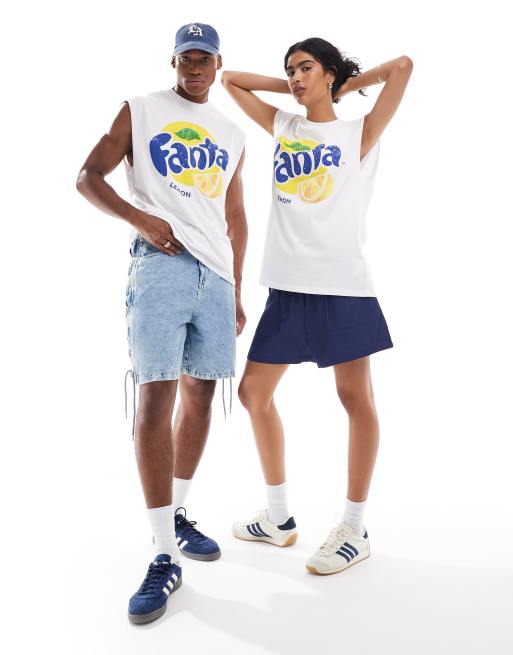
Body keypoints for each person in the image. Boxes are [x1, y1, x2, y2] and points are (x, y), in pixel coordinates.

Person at [76, 23, 247, 623]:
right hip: (162, 266)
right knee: (156, 395)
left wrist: (237, 288)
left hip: (217, 276)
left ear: (219, 63)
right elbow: (87, 176)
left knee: (202, 395)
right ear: (173, 61)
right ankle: (162, 554)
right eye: (186, 58)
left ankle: (175, 512)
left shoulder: (231, 133)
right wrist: (142, 220)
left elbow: (236, 215)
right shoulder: (141, 109)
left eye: (205, 58)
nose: (195, 67)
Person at [222, 38, 412, 575]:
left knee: (355, 399)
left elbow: (402, 66)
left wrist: (343, 85)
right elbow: (229, 80)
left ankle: (354, 528)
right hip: (286, 287)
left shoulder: (358, 133)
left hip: (341, 285)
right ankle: (278, 518)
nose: (295, 76)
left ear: (329, 73)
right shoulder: (286, 126)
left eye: (306, 67)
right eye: (290, 70)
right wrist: (293, 89)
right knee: (253, 394)